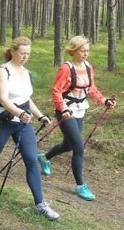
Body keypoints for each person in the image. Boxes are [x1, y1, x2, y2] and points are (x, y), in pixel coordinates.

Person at [0, 36, 59, 221]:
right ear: (13, 51)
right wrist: (19, 113)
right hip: (2, 121)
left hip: (23, 124)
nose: (25, 56)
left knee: (32, 160)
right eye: (22, 53)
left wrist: (40, 115)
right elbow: (3, 98)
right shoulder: (3, 70)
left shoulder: (27, 72)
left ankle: (40, 204)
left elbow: (26, 98)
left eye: (28, 53)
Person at [37, 35, 116, 201]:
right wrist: (63, 108)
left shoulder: (88, 67)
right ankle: (81, 186)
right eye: (82, 50)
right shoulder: (66, 68)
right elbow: (56, 91)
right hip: (66, 111)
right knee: (79, 146)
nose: (86, 53)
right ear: (73, 51)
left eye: (87, 50)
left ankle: (44, 157)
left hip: (80, 110)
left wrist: (104, 100)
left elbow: (91, 89)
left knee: (68, 145)